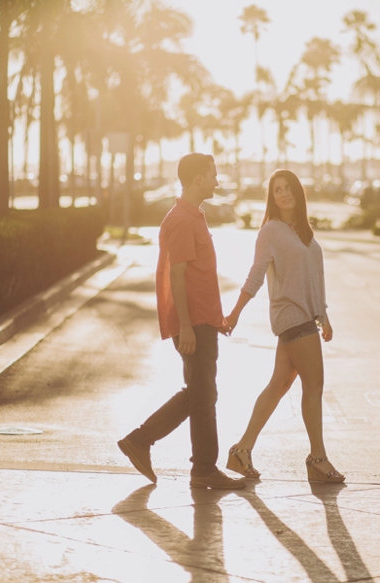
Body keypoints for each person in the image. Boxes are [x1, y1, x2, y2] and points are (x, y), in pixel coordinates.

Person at [117, 153, 246, 491]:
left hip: (203, 320)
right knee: (203, 395)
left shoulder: (194, 216)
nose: (217, 181)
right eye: (213, 175)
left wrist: (215, 319)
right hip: (193, 324)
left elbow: (199, 277)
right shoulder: (182, 220)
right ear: (197, 179)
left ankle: (145, 442)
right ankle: (199, 467)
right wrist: (186, 325)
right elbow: (177, 275)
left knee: (202, 393)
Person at [223, 169, 345, 484]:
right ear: (271, 197)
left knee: (279, 384)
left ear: (297, 193)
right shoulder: (271, 231)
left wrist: (323, 313)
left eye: (288, 188)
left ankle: (241, 451)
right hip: (290, 314)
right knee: (314, 386)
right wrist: (236, 311)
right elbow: (256, 274)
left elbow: (315, 276)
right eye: (277, 190)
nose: (283, 194)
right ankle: (318, 458)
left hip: (306, 315)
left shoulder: (303, 232)